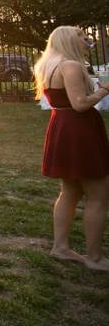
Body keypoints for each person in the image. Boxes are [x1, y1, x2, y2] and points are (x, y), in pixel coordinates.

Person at [35, 26, 109, 270]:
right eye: (82, 37)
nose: (87, 40)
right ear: (69, 39)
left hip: (62, 126)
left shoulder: (49, 63)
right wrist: (104, 89)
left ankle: (61, 247)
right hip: (79, 130)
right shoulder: (70, 65)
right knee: (99, 195)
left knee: (70, 192)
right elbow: (80, 104)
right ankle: (95, 259)